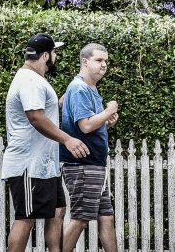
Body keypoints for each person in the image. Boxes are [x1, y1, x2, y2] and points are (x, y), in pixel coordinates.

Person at [1, 33, 89, 252]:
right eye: (55, 52)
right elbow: (36, 117)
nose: (56, 57)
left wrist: (63, 100)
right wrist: (67, 139)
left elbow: (44, 110)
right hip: (29, 165)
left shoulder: (33, 80)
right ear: (46, 55)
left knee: (58, 211)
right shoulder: (30, 81)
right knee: (26, 218)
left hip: (44, 165)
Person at [59, 43, 119, 252]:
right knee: (81, 219)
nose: (104, 65)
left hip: (94, 165)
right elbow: (85, 126)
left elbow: (92, 122)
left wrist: (106, 120)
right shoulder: (80, 88)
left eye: (106, 61)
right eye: (99, 60)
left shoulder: (90, 89)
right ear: (85, 61)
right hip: (82, 165)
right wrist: (110, 109)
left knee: (106, 217)